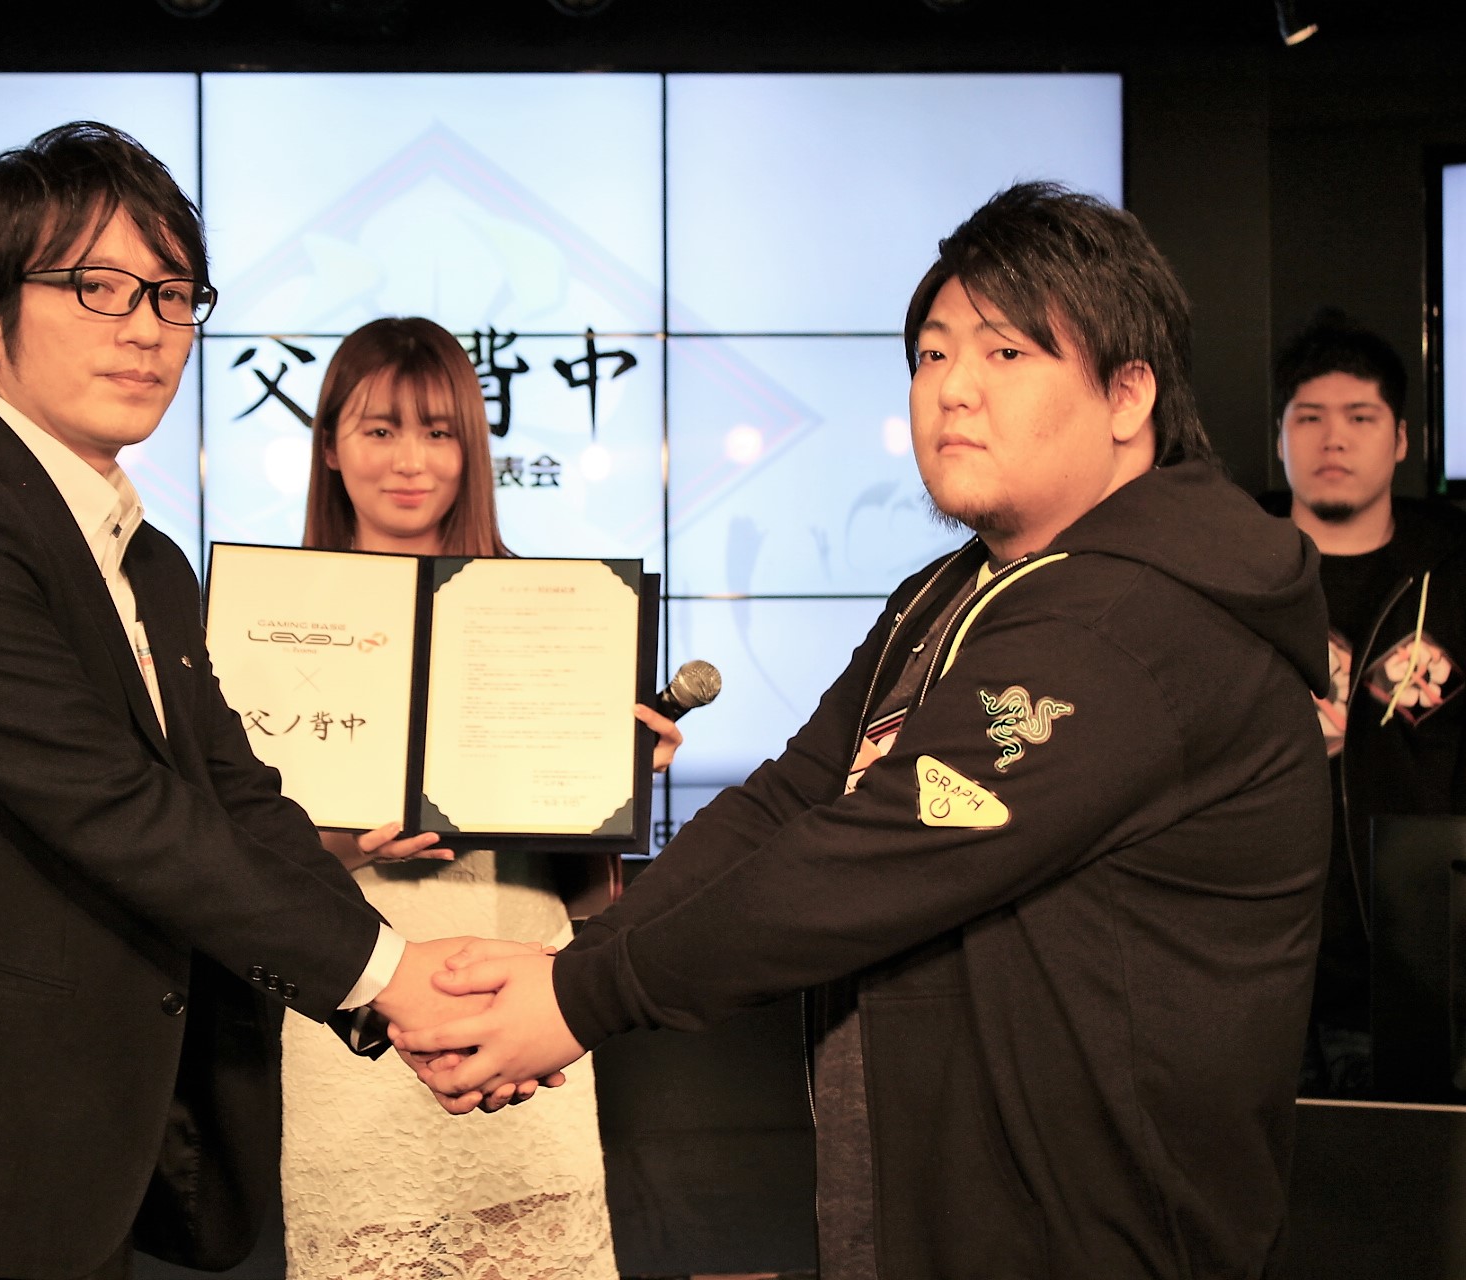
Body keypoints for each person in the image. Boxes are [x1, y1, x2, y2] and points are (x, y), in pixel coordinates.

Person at [399, 183, 1331, 1279]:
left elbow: (868, 857)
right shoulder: (950, 590)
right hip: (946, 1203)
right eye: (932, 355)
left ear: (1129, 394)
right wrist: (580, 963)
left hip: (1100, 1228)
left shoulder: (1138, 621)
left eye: (1006, 353)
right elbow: (790, 800)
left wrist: (576, 997)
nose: (952, 390)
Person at [0, 123, 513, 1280]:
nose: (146, 328)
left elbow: (239, 801)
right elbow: (117, 809)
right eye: (97, 286)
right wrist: (390, 976)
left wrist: (390, 990)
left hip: (79, 1176)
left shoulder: (147, 559)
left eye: (171, 294)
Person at [279, 315, 682, 1280]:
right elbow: (235, 855)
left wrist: (616, 782)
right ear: (330, 446)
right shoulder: (280, 619)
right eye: (380, 430)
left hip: (519, 998)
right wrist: (353, 844)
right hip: (354, 1012)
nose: (409, 461)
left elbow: (588, 891)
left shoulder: (547, 613)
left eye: (439, 431)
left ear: (472, 448)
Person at [1269, 309, 1466, 1096]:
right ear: (1280, 436)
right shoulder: (1229, 575)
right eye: (1309, 418)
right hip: (1255, 970)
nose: (1334, 440)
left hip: (1418, 974)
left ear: (1402, 438)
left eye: (1360, 417)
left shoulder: (1454, 580)